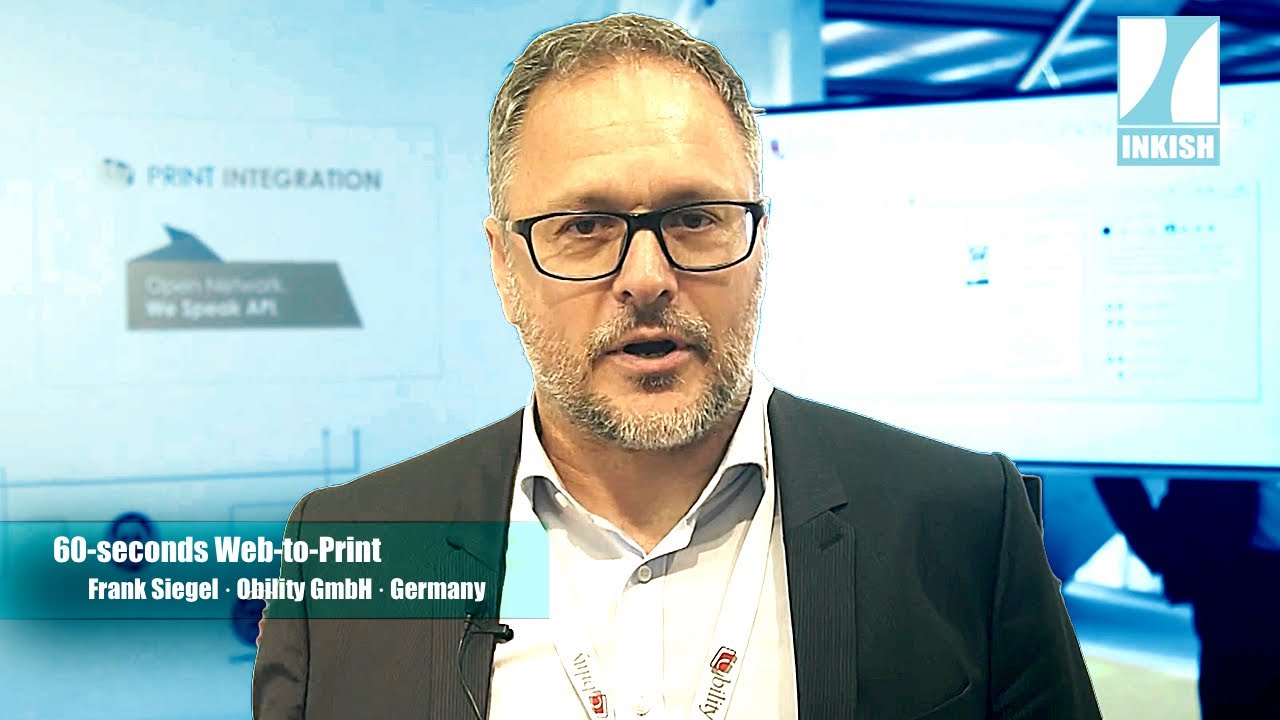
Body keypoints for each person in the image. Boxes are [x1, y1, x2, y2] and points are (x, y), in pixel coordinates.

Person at [253, 14, 1100, 719]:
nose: (647, 277)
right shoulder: (354, 548)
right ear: (504, 269)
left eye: (695, 217)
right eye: (584, 226)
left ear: (759, 243)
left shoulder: (959, 521)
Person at [1094, 477, 1280, 719]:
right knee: (1235, 697)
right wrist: (1154, 545)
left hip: (1232, 576)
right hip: (1234, 582)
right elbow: (1112, 472)